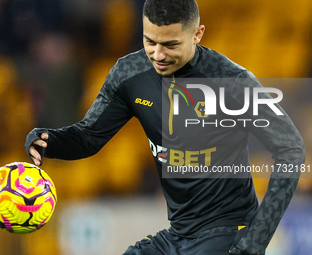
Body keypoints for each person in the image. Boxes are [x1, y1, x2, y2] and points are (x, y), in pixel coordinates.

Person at [25, 0, 305, 254]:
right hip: (178, 235)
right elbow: (88, 137)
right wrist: (50, 140)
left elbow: (291, 148)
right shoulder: (130, 73)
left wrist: (255, 241)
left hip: (228, 236)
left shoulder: (231, 80)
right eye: (150, 41)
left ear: (197, 34)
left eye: (170, 44)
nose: (157, 54)